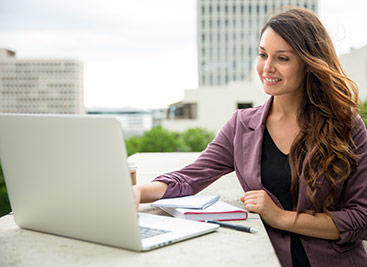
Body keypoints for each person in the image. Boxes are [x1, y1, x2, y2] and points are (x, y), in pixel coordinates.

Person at [133, 7, 367, 267]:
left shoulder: (346, 125)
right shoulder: (242, 125)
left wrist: (279, 217)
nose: (267, 67)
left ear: (308, 63)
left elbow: (362, 218)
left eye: (283, 58)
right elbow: (188, 178)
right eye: (262, 54)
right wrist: (136, 192)